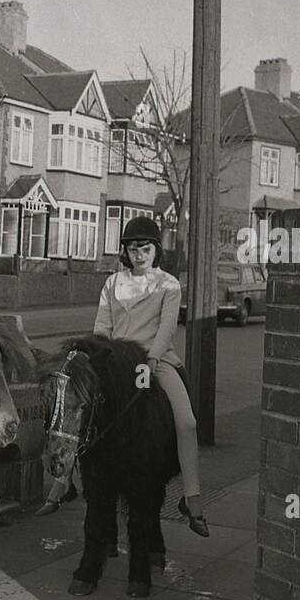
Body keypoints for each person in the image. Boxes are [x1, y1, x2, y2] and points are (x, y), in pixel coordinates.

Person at [92, 216, 209, 535]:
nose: (138, 254)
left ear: (156, 250)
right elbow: (102, 327)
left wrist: (152, 359)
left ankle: (191, 495)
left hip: (156, 360)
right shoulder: (112, 284)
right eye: (132, 249)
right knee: (78, 411)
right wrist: (101, 354)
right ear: (124, 252)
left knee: (186, 421)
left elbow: (166, 328)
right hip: (117, 362)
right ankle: (62, 484)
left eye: (145, 248)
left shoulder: (168, 284)